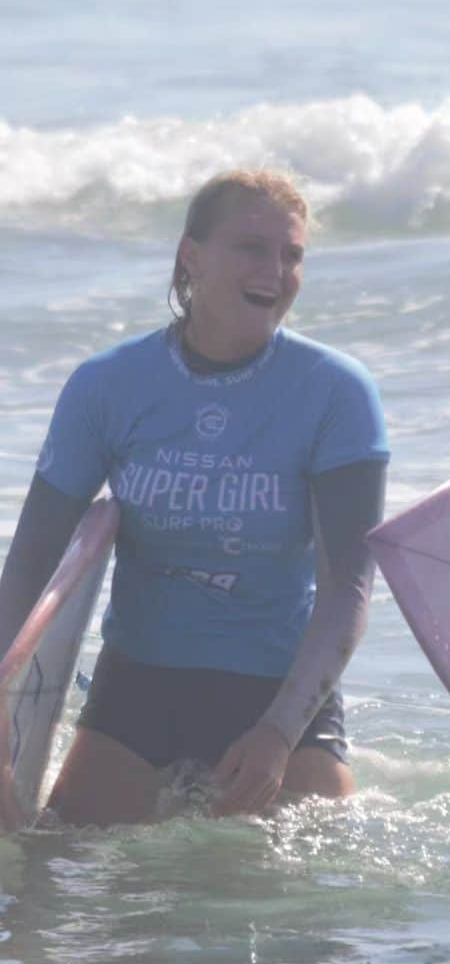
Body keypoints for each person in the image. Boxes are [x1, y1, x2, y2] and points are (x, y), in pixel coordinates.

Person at [0, 170, 388, 829]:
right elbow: (32, 564)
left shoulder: (335, 393)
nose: (276, 270)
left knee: (316, 904)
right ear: (191, 256)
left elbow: (348, 591)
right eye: (252, 247)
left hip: (279, 693)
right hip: (139, 690)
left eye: (292, 254)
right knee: (50, 882)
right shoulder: (109, 386)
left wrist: (279, 732)